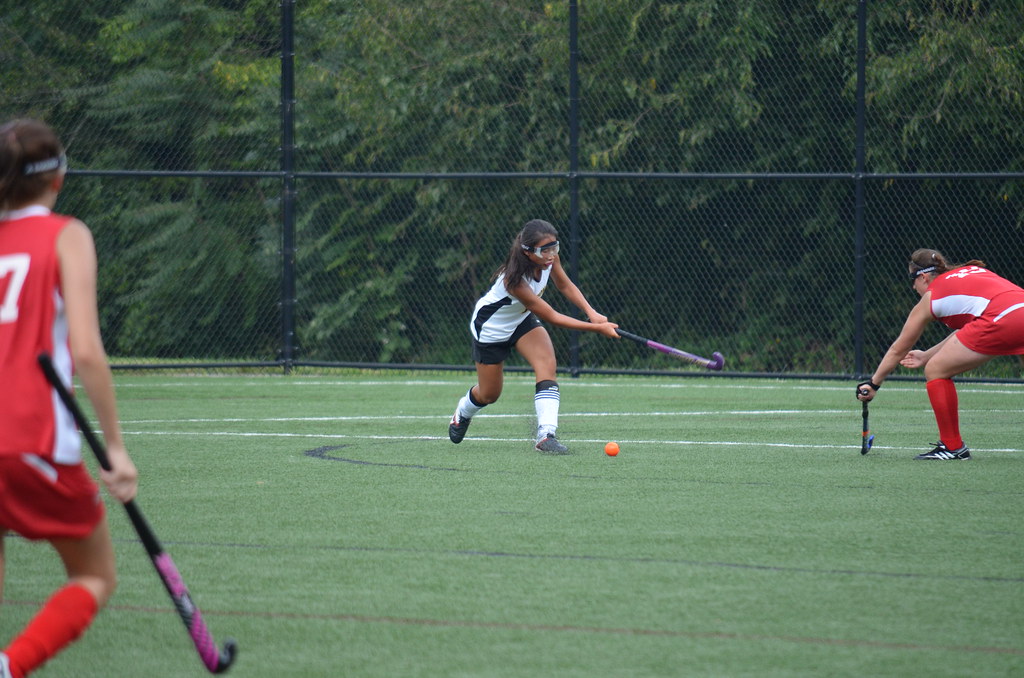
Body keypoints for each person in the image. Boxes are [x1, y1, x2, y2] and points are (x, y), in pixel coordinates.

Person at [0, 119, 138, 678]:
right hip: (30, 437)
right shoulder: (67, 234)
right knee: (95, 575)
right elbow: (85, 350)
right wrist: (116, 450)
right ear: (57, 178)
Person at [448, 219, 619, 454]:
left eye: (554, 247)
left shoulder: (550, 259)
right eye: (544, 250)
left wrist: (592, 313)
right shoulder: (514, 280)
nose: (551, 254)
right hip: (491, 329)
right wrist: (597, 328)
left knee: (547, 364)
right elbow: (552, 316)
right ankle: (462, 413)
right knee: (489, 394)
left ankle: (546, 435)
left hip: (520, 320)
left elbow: (565, 285)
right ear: (528, 252)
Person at [856, 248, 1024, 460]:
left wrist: (873, 384)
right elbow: (969, 330)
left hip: (1001, 318)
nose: (912, 286)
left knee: (936, 370)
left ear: (924, 277)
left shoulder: (931, 297)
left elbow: (899, 348)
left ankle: (952, 447)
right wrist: (926, 355)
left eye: (913, 279)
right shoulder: (970, 271)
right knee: (934, 363)